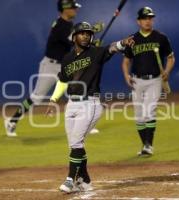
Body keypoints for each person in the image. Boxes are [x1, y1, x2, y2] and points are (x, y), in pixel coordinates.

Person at [45, 22, 134, 193]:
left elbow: (112, 48)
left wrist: (123, 42)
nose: (86, 35)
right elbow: (63, 81)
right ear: (74, 37)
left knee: (77, 141)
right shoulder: (67, 58)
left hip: (90, 104)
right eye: (82, 33)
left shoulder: (96, 52)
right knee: (74, 145)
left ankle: (70, 179)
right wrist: (53, 99)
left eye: (88, 33)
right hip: (71, 104)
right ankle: (84, 180)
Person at [4, 0, 81, 137]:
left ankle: (84, 125)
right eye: (73, 8)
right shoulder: (59, 26)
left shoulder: (68, 25)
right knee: (36, 98)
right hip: (50, 67)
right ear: (65, 9)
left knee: (76, 94)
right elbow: (72, 43)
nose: (76, 10)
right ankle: (12, 121)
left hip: (63, 66)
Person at [121, 7, 175, 156]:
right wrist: (126, 75)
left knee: (148, 111)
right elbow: (126, 61)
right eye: (145, 18)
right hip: (137, 80)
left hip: (154, 80)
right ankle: (145, 145)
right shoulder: (132, 39)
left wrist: (167, 71)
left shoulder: (160, 38)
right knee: (139, 115)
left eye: (150, 18)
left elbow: (171, 58)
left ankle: (148, 146)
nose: (148, 21)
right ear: (138, 21)